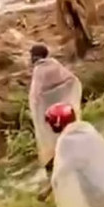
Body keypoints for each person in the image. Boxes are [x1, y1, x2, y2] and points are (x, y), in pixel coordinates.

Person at [28, 44, 82, 175]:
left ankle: (56, 167)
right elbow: (72, 80)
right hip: (63, 112)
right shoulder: (55, 65)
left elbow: (36, 96)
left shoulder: (39, 71)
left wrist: (39, 109)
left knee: (52, 140)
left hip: (50, 115)